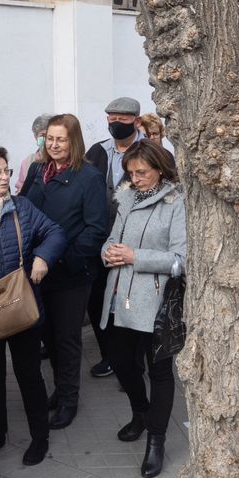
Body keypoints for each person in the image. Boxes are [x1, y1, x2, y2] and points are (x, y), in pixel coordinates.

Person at [18, 112, 113, 430]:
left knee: (67, 338)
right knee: (48, 337)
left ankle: (69, 400)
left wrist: (63, 258)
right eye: (50, 138)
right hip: (36, 272)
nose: (54, 144)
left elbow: (95, 228)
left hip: (71, 273)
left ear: (74, 141)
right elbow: (24, 211)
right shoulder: (35, 171)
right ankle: (59, 390)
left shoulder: (88, 177)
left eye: (61, 139)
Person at [0, 145, 63, 465]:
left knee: (29, 375)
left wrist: (42, 257)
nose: (5, 177)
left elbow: (55, 231)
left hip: (23, 304)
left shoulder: (22, 207)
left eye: (7, 171)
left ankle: (40, 438)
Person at [98, 141, 187, 478]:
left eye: (141, 172)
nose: (135, 178)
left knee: (160, 372)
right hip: (120, 297)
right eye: (131, 172)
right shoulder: (125, 197)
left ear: (160, 169)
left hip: (157, 302)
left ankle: (156, 439)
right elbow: (111, 240)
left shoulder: (176, 202)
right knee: (121, 362)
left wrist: (136, 257)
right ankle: (140, 411)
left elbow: (182, 259)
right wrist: (107, 252)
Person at [81, 96, 144, 378]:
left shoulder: (152, 153)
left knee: (130, 301)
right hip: (99, 239)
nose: (116, 123)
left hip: (134, 241)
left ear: (137, 121)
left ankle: (133, 362)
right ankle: (109, 355)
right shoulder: (97, 151)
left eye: (123, 119)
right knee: (98, 299)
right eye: (112, 118)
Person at [12, 113, 53, 192]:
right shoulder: (28, 161)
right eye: (43, 135)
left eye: (50, 135)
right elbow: (20, 189)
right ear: (36, 137)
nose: (47, 139)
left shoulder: (63, 160)